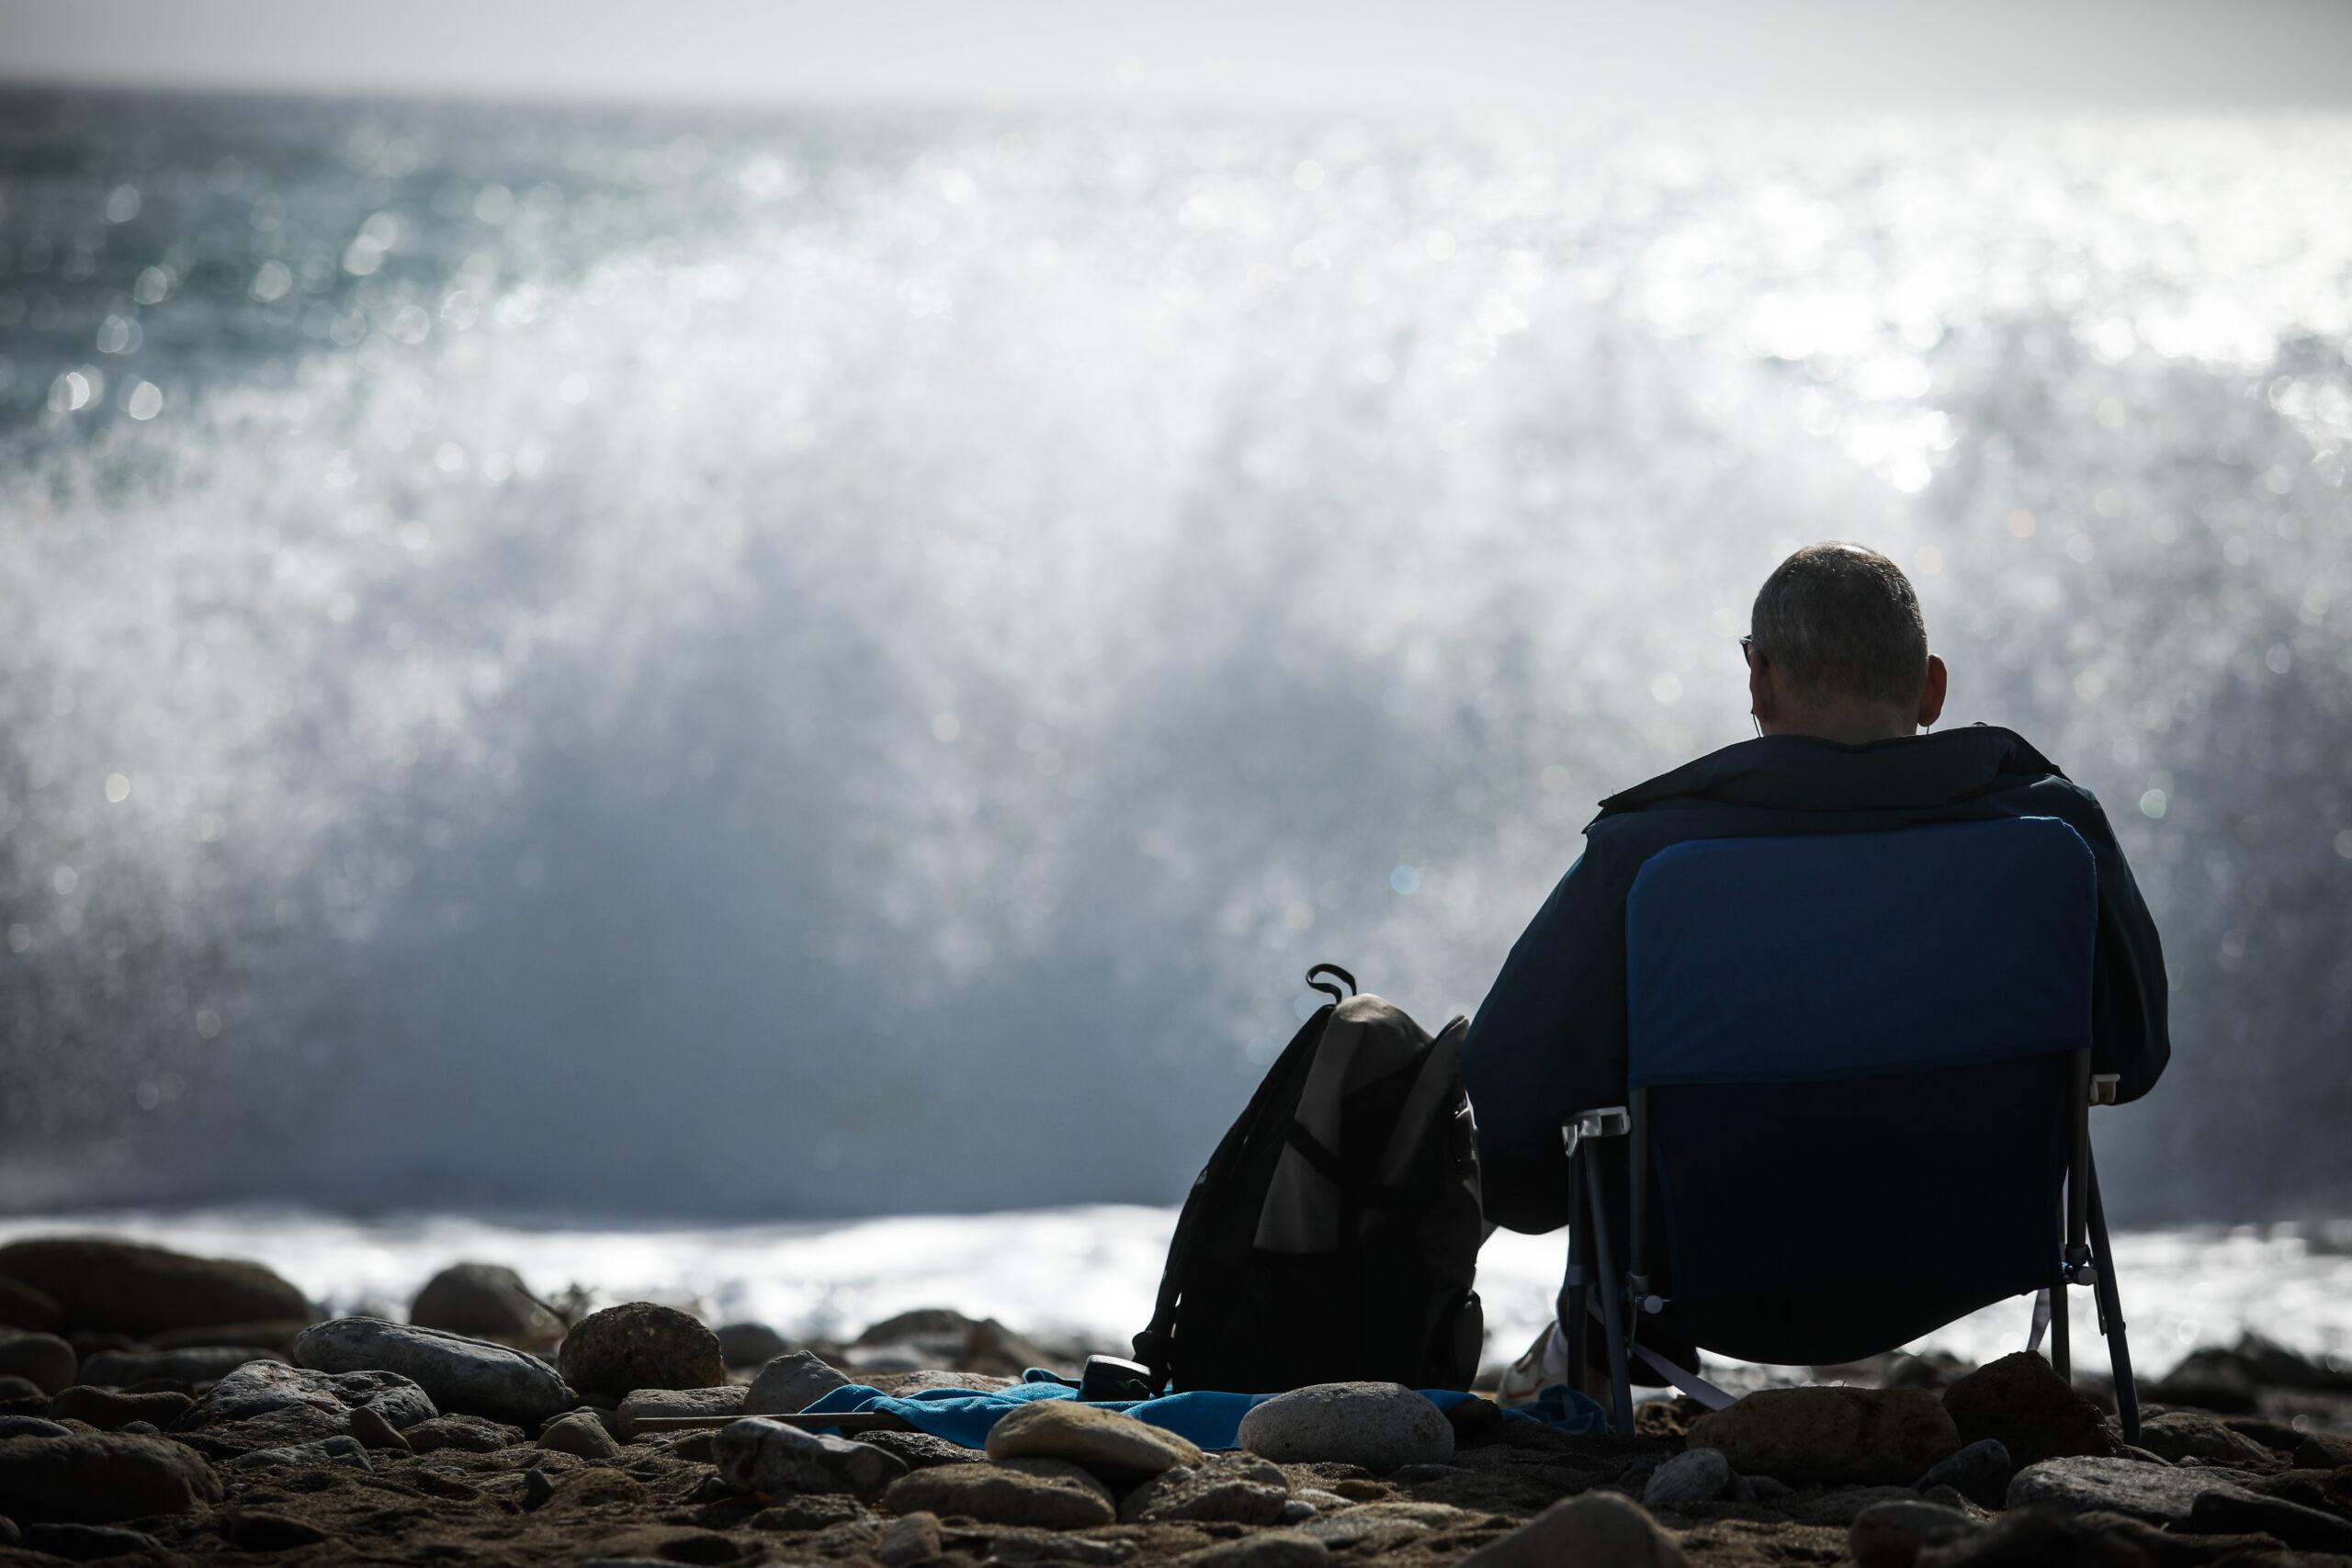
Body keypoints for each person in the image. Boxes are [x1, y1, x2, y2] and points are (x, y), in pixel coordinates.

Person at [1462, 542, 2170, 1396]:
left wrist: (1538, 1191)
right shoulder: (2058, 831)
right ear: (1932, 687)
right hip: (1974, 1259)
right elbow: (2134, 1055)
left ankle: (1593, 1331)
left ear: (1760, 681)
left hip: (1700, 1283)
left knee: (1602, 1081)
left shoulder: (1645, 853)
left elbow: (1510, 1094)